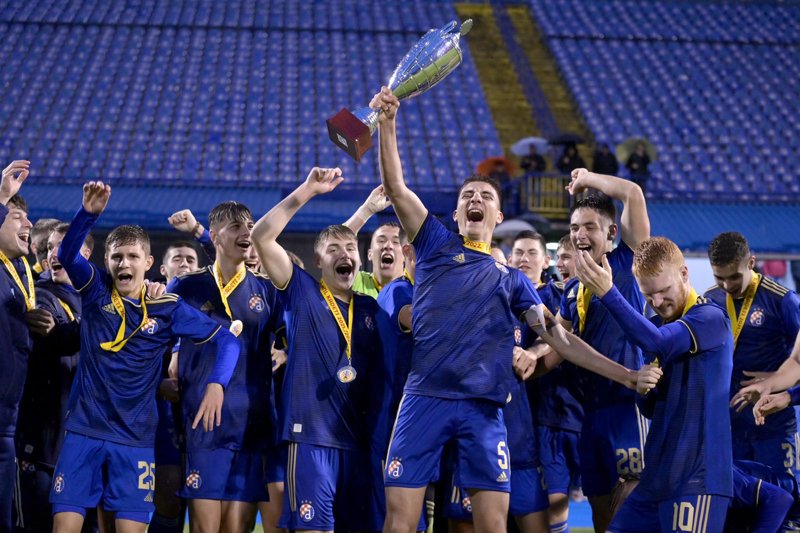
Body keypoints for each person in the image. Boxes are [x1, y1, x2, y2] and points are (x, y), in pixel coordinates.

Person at [371, 86, 638, 533]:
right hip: (423, 399)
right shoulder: (434, 243)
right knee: (400, 522)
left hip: (483, 409)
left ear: (497, 217)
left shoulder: (512, 281)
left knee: (492, 527)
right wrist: (388, 122)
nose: (475, 200)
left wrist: (626, 375)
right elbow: (396, 187)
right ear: (456, 213)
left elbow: (560, 340)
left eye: (485, 196)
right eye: (467, 196)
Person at [48, 181, 240, 532]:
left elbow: (228, 342)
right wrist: (87, 214)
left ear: (148, 262)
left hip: (135, 440)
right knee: (64, 528)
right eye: (117, 257)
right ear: (106, 262)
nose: (124, 263)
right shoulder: (95, 290)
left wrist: (217, 385)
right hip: (83, 432)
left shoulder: (167, 307)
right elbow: (68, 255)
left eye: (133, 256)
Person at [251, 167, 383, 533]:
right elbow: (261, 236)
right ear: (318, 261)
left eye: (351, 249)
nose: (344, 255)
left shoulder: (371, 309)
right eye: (333, 250)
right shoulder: (302, 292)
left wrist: (366, 212)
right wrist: (307, 191)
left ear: (360, 261)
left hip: (357, 442)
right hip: (309, 438)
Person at [575, 236, 734, 533]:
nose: (657, 302)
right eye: (648, 296)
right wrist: (643, 390)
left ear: (684, 273)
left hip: (696, 480)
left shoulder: (709, 317)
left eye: (663, 291)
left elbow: (656, 342)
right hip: (655, 481)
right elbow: (651, 409)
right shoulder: (657, 328)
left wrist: (608, 293)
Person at [529, 168, 650, 533]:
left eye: (589, 227)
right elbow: (556, 347)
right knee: (601, 515)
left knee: (629, 510)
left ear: (611, 233)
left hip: (628, 406)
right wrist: (528, 358)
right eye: (574, 228)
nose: (580, 235)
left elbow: (632, 194)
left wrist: (587, 178)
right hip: (589, 415)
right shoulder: (571, 292)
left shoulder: (628, 262)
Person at [167, 201, 283, 532]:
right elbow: (157, 341)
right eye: (236, 227)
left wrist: (285, 352)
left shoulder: (267, 290)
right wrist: (163, 376)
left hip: (251, 425)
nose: (247, 232)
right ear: (215, 236)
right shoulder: (185, 286)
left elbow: (295, 338)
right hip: (203, 424)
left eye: (250, 226)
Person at [15, 222, 92, 532]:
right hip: (44, 437)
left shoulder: (95, 297)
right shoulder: (39, 295)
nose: (54, 254)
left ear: (86, 254)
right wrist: (106, 322)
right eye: (50, 248)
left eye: (64, 246)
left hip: (82, 436)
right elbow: (57, 339)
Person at [704, 232, 800, 478]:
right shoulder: (709, 301)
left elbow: (798, 361)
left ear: (751, 263)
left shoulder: (782, 300)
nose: (728, 286)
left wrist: (776, 380)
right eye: (720, 278)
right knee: (736, 497)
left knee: (782, 494)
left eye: (734, 277)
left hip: (773, 422)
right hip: (729, 426)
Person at [509, 231, 581, 533]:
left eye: (531, 253)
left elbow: (559, 336)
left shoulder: (559, 297)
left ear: (544, 260)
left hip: (573, 412)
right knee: (544, 505)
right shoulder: (506, 295)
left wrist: (534, 352)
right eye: (518, 253)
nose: (524, 259)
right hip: (532, 419)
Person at [0, 159, 32, 531]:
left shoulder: (15, 278)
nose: (29, 224)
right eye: (18, 217)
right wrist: (2, 198)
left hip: (8, 423)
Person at [344, 185, 404, 298]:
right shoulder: (354, 281)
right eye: (381, 240)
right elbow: (336, 243)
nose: (388, 245)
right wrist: (366, 211)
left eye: (396, 242)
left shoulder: (415, 290)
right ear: (370, 254)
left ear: (405, 253)